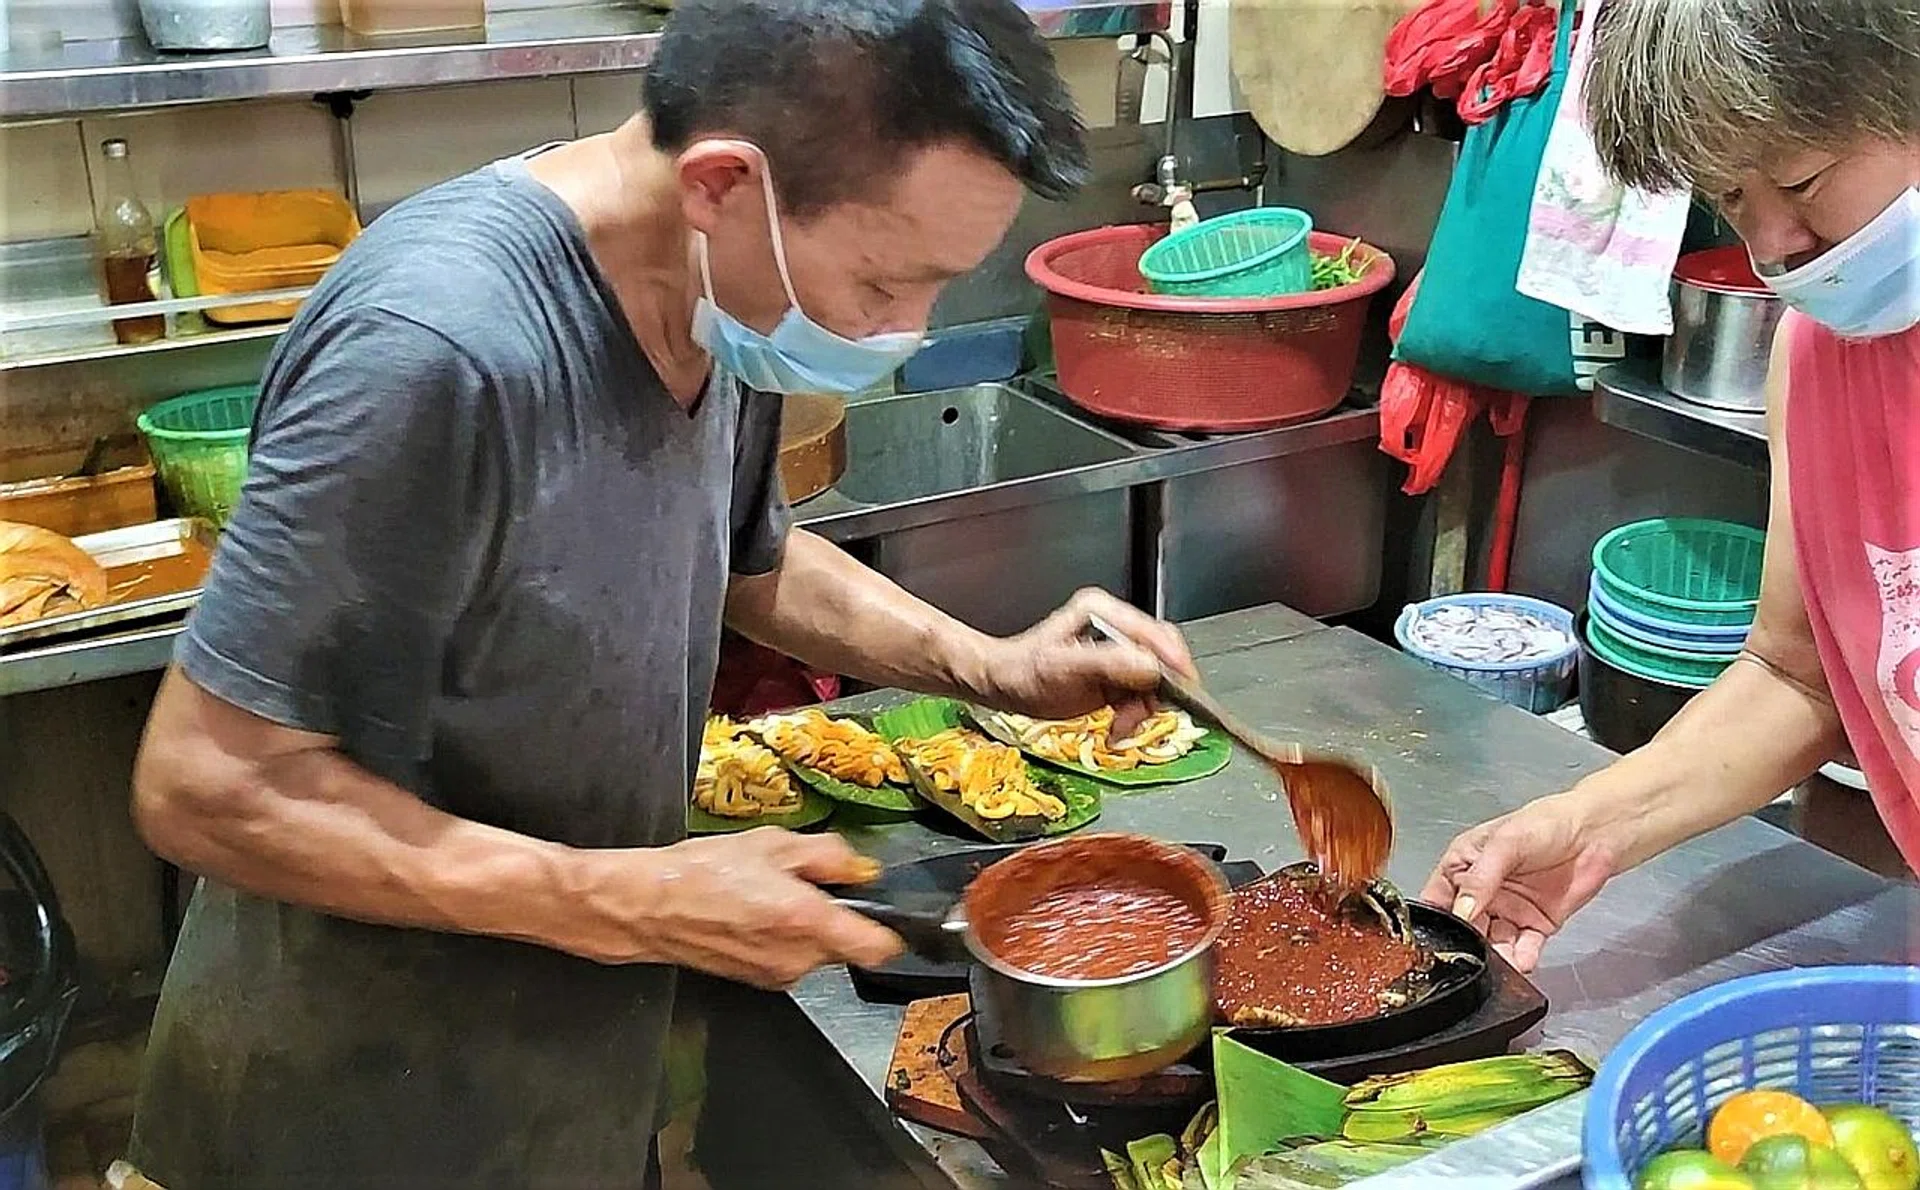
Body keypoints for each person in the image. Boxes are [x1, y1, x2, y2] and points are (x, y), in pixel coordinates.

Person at [121, 0, 1194, 1185]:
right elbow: (207, 787)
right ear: (723, 183)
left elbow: (750, 560)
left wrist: (987, 665)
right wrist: (627, 899)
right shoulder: (436, 349)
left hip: (565, 1078)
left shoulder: (722, 300)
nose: (904, 330)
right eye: (887, 281)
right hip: (350, 1111)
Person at [1424, 0, 1918, 975]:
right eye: (1731, 197)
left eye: (1800, 179)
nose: (1775, 243)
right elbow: (1795, 675)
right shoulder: (1818, 361)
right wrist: (1586, 823)